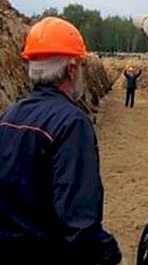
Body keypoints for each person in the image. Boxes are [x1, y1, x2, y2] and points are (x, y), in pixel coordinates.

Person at [0, 17, 122, 264]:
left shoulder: (9, 116)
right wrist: (109, 254)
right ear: (71, 69)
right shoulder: (71, 123)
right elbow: (77, 224)